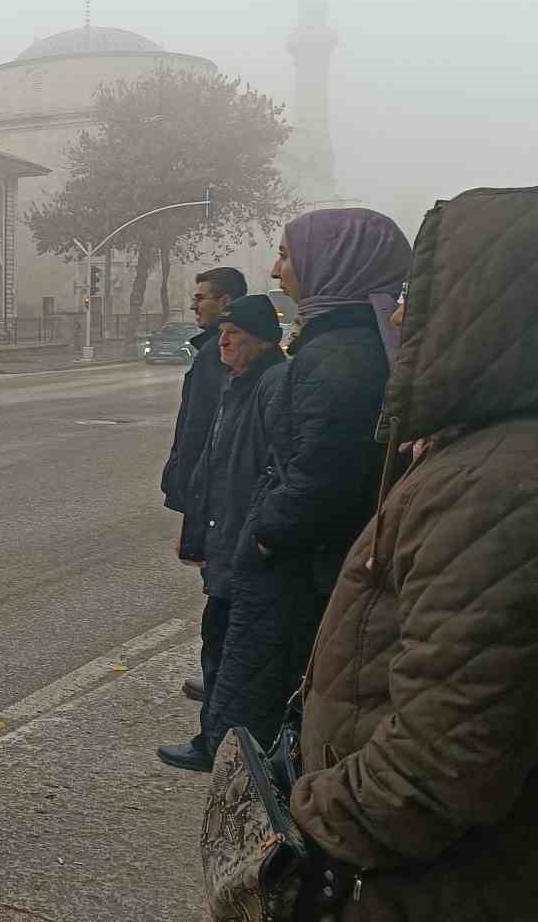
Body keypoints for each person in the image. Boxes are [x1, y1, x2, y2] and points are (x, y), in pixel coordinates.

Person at [289, 186, 538, 920]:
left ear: (497, 313)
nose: (402, 312)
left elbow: (444, 761)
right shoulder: (497, 456)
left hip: (420, 884)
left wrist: (311, 823)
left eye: (419, 293)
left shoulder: (503, 489)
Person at [205, 208, 411, 755]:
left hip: (304, 574)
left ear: (335, 264)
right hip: (311, 567)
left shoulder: (339, 357)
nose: (276, 272)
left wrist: (268, 532)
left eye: (286, 256)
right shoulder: (349, 344)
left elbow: (325, 472)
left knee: (276, 735)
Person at [157, 295, 286, 771]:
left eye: (235, 334)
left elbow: (264, 474)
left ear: (262, 341)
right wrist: (198, 536)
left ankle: (222, 747)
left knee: (231, 650)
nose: (224, 341)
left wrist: (256, 537)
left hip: (246, 543)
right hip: (230, 538)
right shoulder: (239, 384)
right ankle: (218, 738)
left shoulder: (270, 386)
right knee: (221, 641)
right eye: (223, 333)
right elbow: (216, 471)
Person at [160, 266, 248, 704]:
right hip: (206, 489)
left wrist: (190, 494)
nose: (194, 305)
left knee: (221, 594)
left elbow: (206, 432)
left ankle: (220, 688)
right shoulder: (213, 350)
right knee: (216, 589)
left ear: (226, 302)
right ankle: (217, 679)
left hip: (212, 492)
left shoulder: (220, 352)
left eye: (202, 298)